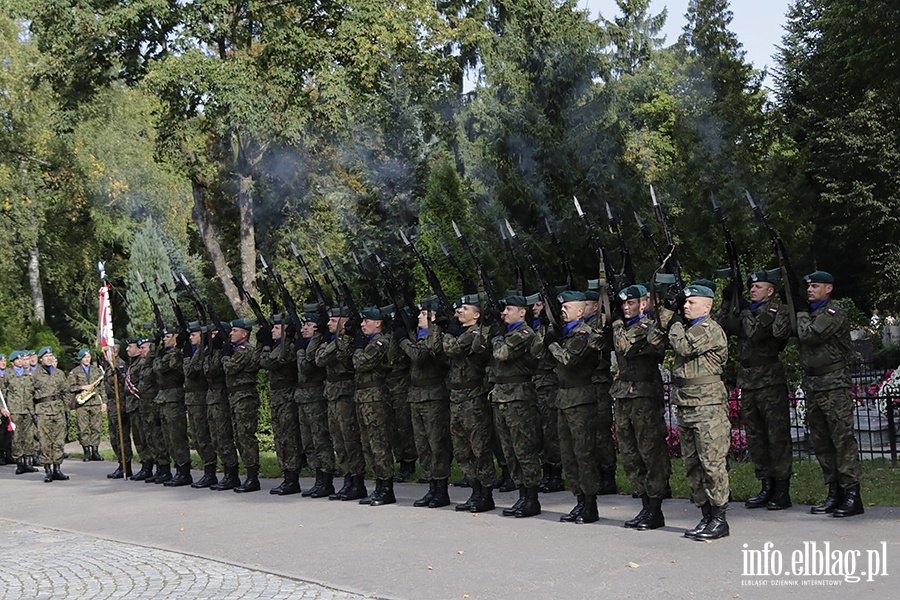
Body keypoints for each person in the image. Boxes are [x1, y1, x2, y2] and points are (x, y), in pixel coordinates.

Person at [776, 271, 863, 517]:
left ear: (829, 289)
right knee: (822, 442)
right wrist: (788, 305)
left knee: (842, 440)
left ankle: (852, 495)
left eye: (815, 286)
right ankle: (834, 492)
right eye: (808, 287)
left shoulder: (834, 314)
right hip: (813, 384)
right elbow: (781, 333)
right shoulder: (810, 313)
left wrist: (801, 311)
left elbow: (810, 335)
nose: (810, 290)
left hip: (834, 385)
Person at [653, 284, 731, 541]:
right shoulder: (686, 328)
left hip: (707, 407)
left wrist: (674, 321)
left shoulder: (708, 329)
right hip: (687, 404)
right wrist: (667, 312)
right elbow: (657, 340)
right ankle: (706, 515)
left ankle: (720, 519)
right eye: (684, 303)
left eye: (691, 303)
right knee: (692, 465)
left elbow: (683, 347)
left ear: (707, 306)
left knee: (712, 464)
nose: (685, 306)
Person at [720, 271, 793, 510]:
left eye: (758, 286)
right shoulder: (747, 312)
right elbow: (723, 326)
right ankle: (766, 485)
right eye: (750, 287)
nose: (752, 290)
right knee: (756, 437)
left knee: (777, 436)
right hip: (748, 382)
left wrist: (743, 309)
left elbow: (754, 331)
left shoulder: (774, 312)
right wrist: (727, 301)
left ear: (770, 291)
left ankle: (782, 489)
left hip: (769, 381)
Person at [611, 285, 670, 530]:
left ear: (643, 304)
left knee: (650, 452)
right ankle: (645, 503)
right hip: (624, 396)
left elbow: (622, 346)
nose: (626, 308)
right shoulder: (626, 327)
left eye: (631, 303)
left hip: (644, 396)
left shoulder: (647, 326)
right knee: (629, 454)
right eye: (623, 304)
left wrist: (615, 323)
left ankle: (655, 508)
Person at [544, 291, 602, 524]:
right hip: (563, 398)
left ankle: (590, 504)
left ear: (580, 311)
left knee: (583, 453)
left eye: (567, 307)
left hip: (580, 399)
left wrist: (552, 344)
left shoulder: (584, 334)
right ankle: (579, 500)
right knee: (568, 455)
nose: (563, 310)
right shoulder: (565, 334)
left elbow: (569, 359)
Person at [491, 295, 543, 518]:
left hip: (519, 398)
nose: (504, 313)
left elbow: (501, 353)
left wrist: (496, 337)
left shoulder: (524, 333)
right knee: (510, 450)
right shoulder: (508, 334)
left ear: (522, 312)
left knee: (524, 449)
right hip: (502, 397)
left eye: (508, 309)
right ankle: (522, 495)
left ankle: (531, 498)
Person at [443, 295, 496, 513]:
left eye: (464, 309)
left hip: (473, 397)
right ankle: (474, 488)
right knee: (462, 449)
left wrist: (449, 331)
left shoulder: (476, 332)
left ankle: (486, 493)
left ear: (477, 315)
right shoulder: (458, 333)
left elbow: (451, 349)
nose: (458, 312)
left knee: (479, 447)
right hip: (456, 397)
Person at [401, 297, 452, 509]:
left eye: (423, 314)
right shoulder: (420, 335)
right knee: (423, 445)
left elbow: (420, 356)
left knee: (436, 444)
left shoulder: (436, 336)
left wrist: (403, 339)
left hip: (433, 396)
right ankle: (431, 486)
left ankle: (441, 489)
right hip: (416, 395)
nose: (419, 317)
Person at [315, 307, 366, 501]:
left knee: (350, 439)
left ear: (343, 324)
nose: (328, 323)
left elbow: (339, 356)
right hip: (332, 394)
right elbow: (318, 359)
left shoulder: (350, 341)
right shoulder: (333, 342)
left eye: (333, 320)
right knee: (339, 440)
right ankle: (347, 479)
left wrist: (339, 339)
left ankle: (357, 481)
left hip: (345, 393)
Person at [352, 306, 396, 506]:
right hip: (363, 397)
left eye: (366, 321)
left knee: (378, 443)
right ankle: (378, 484)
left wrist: (358, 348)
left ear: (378, 323)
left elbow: (362, 363)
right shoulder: (369, 342)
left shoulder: (381, 342)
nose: (362, 325)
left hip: (375, 398)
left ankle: (386, 487)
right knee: (368, 443)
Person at [259, 314, 303, 496]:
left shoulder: (288, 348)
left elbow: (268, 362)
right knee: (280, 436)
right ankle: (286, 474)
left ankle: (292, 477)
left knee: (289, 437)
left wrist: (266, 345)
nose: (272, 331)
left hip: (286, 396)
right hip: (277, 395)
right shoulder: (279, 347)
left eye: (276, 328)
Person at [295, 307, 336, 498]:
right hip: (303, 397)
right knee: (308, 441)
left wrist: (301, 351)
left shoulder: (317, 344)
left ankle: (326, 479)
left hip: (316, 396)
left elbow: (306, 367)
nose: (304, 329)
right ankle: (318, 477)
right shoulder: (307, 343)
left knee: (320, 439)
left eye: (308, 326)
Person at [223, 319, 262, 493]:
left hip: (244, 397)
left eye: (235, 331)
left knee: (245, 436)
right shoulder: (237, 350)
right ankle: (247, 475)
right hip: (235, 396)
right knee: (239, 436)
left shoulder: (245, 351)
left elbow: (230, 368)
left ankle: (252, 477)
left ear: (244, 334)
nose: (231, 334)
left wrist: (224, 355)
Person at [153, 327, 193, 487]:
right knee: (169, 438)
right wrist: (160, 353)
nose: (164, 339)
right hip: (164, 399)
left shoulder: (178, 353)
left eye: (168, 336)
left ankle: (184, 471)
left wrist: (174, 350)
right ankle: (177, 469)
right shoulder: (167, 354)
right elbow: (156, 367)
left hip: (174, 399)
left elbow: (160, 368)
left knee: (177, 437)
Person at [205, 322, 241, 491]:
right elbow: (205, 370)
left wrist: (222, 353)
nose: (212, 337)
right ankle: (226, 473)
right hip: (213, 398)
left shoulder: (232, 351)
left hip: (222, 398)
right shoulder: (214, 351)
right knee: (216, 438)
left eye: (215, 334)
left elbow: (215, 370)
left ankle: (232, 473)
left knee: (224, 436)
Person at [183, 322, 218, 489]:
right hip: (192, 400)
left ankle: (210, 472)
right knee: (197, 437)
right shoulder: (195, 351)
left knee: (205, 436)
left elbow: (193, 370)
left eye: (194, 335)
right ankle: (207, 470)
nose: (190, 338)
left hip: (202, 399)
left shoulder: (203, 352)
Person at [31, 347, 69, 482]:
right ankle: (47, 470)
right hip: (42, 410)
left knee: (59, 440)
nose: (50, 358)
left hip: (58, 409)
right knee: (45, 441)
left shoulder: (59, 373)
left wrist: (67, 410)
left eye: (51, 356)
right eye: (46, 356)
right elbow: (29, 395)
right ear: (41, 359)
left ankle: (57, 469)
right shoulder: (34, 375)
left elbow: (65, 392)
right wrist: (32, 412)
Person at [136, 337, 170, 483]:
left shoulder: (154, 361)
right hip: (145, 404)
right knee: (150, 437)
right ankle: (158, 468)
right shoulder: (145, 364)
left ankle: (165, 469)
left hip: (154, 403)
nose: (141, 350)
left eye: (143, 348)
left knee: (158, 437)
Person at [68, 348, 106, 462]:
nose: (87, 359)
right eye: (85, 357)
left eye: (88, 357)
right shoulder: (74, 372)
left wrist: (104, 402)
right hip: (82, 403)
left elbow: (102, 387)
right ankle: (86, 452)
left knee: (96, 427)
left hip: (94, 402)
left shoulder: (96, 370)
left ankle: (95, 451)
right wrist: (83, 387)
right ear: (80, 359)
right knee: (83, 428)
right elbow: (69, 387)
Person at [5, 351, 37, 474]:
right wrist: (3, 407)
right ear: (13, 362)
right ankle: (19, 463)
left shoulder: (29, 374)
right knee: (17, 437)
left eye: (22, 360)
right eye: (18, 360)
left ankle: (28, 462)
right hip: (15, 410)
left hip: (28, 409)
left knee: (29, 436)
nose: (21, 362)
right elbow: (2, 393)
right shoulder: (7, 375)